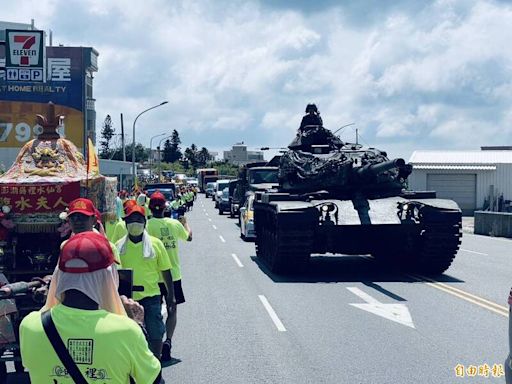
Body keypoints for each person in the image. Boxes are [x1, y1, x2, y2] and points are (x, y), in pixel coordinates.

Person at [20, 232, 163, 384]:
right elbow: (152, 380)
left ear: (59, 275)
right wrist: (138, 325)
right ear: (108, 275)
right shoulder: (127, 331)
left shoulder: (30, 325)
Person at [116, 204, 175, 359]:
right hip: (127, 300)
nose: (135, 223)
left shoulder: (155, 244)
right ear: (126, 223)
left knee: (155, 333)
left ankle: (156, 363)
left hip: (151, 297)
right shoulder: (118, 246)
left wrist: (170, 295)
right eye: (131, 219)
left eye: (138, 219)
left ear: (144, 221)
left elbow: (166, 271)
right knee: (128, 336)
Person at [147, 192, 192, 364]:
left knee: (154, 310)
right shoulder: (174, 224)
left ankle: (154, 342)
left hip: (153, 276)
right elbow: (189, 238)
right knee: (172, 309)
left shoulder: (147, 226)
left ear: (150, 208)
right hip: (173, 276)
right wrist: (186, 224)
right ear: (165, 206)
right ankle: (168, 341)